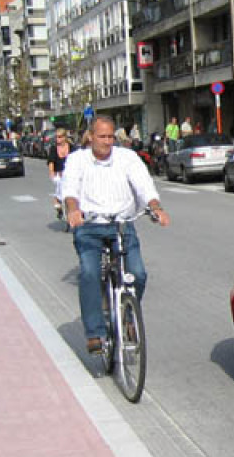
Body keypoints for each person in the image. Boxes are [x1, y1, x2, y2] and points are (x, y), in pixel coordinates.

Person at [62, 115, 171, 355]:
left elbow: (144, 185)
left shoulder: (127, 158)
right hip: (89, 226)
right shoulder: (77, 160)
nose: (108, 142)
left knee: (138, 274)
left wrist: (155, 207)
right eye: (102, 136)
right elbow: (69, 189)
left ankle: (128, 316)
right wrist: (72, 210)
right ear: (91, 136)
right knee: (90, 273)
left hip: (122, 225)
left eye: (111, 136)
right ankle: (95, 333)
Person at [47, 129, 72, 215]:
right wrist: (51, 172)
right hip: (59, 174)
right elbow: (51, 162)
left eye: (60, 137)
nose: (58, 139)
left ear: (65, 137)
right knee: (60, 189)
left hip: (70, 174)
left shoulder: (71, 147)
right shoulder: (54, 148)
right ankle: (59, 206)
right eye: (57, 137)